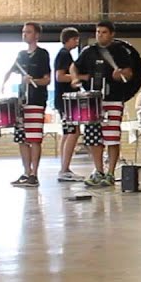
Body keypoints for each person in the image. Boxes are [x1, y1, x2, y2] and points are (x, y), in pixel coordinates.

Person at [71, 20, 141, 186]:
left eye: (103, 32)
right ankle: (98, 170)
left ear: (111, 34)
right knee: (93, 138)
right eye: (98, 32)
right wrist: (75, 77)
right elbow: (74, 66)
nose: (99, 35)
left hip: (114, 98)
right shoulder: (89, 51)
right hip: (93, 100)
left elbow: (129, 73)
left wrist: (121, 74)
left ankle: (110, 173)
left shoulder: (120, 51)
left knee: (112, 137)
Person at [2, 22, 52, 187]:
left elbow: (47, 79)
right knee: (21, 138)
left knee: (35, 138)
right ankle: (26, 171)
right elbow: (10, 70)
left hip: (36, 101)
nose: (25, 34)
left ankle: (34, 174)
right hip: (22, 100)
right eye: (23, 32)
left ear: (36, 35)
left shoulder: (42, 54)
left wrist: (34, 80)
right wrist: (3, 83)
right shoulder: (21, 55)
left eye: (28, 32)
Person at [53, 27, 83, 182]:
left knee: (67, 133)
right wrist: (80, 77)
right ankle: (64, 169)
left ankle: (64, 167)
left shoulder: (64, 54)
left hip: (63, 99)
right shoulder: (64, 54)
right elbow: (60, 77)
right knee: (74, 132)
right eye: (75, 39)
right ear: (69, 39)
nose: (77, 42)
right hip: (66, 100)